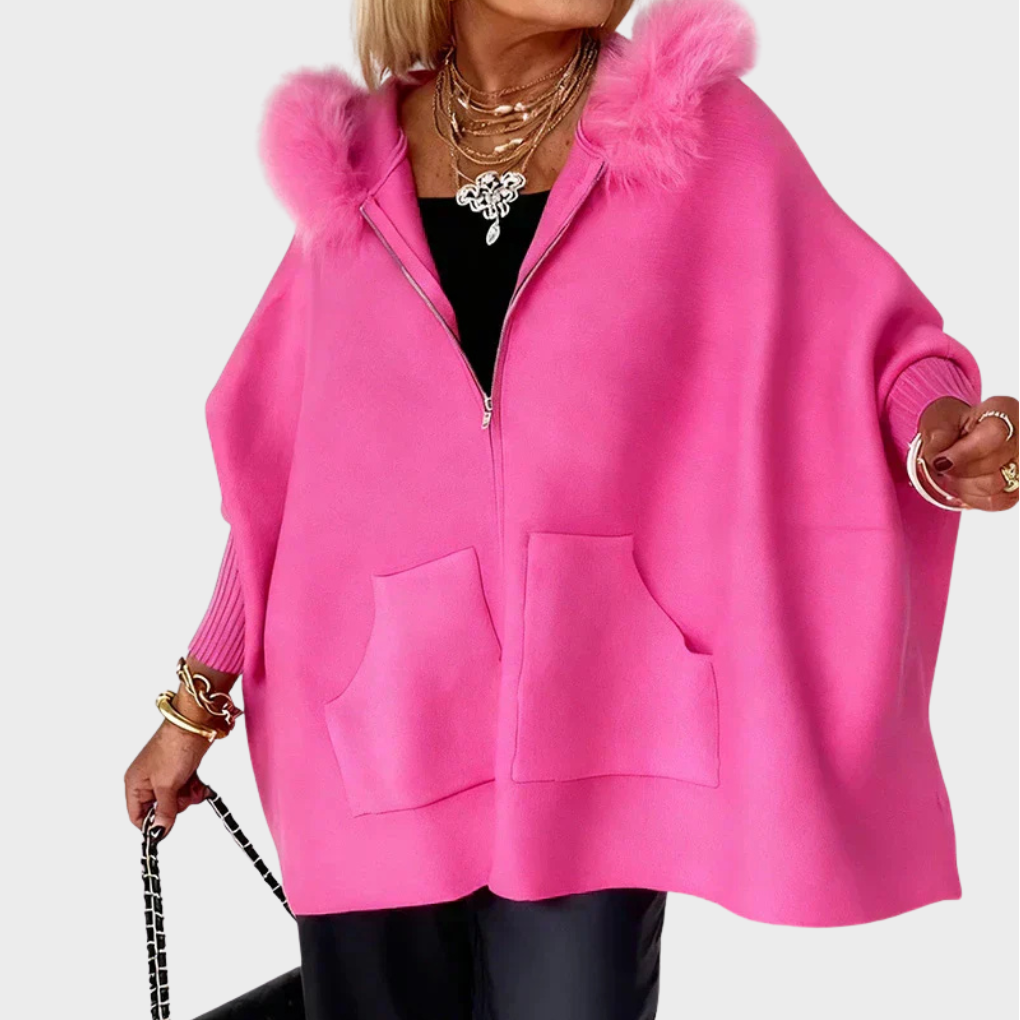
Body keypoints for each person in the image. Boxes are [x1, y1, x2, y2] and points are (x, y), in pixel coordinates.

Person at [124, 1, 1019, 1017]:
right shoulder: (353, 168)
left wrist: (939, 430)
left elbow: (869, 342)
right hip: (369, 732)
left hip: (597, 718)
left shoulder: (691, 128)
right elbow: (282, 475)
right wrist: (193, 704)